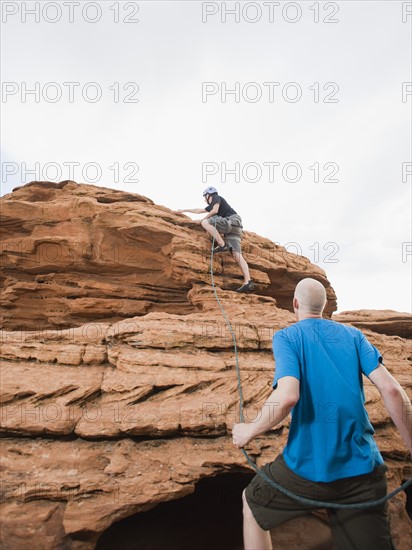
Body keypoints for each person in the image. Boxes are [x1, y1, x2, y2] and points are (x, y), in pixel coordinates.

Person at [232, 277, 412, 550]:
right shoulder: (353, 335)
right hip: (363, 471)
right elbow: (392, 390)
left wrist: (249, 430)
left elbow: (288, 396)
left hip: (305, 470)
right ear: (325, 307)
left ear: (295, 304)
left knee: (251, 502)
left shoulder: (287, 336)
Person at [177, 187, 255, 292]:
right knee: (237, 255)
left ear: (208, 195)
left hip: (231, 221)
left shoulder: (216, 197)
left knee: (205, 222)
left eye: (205, 197)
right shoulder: (215, 202)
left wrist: (203, 219)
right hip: (236, 228)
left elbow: (215, 211)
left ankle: (222, 244)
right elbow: (199, 210)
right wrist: (185, 210)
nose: (205, 200)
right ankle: (248, 281)